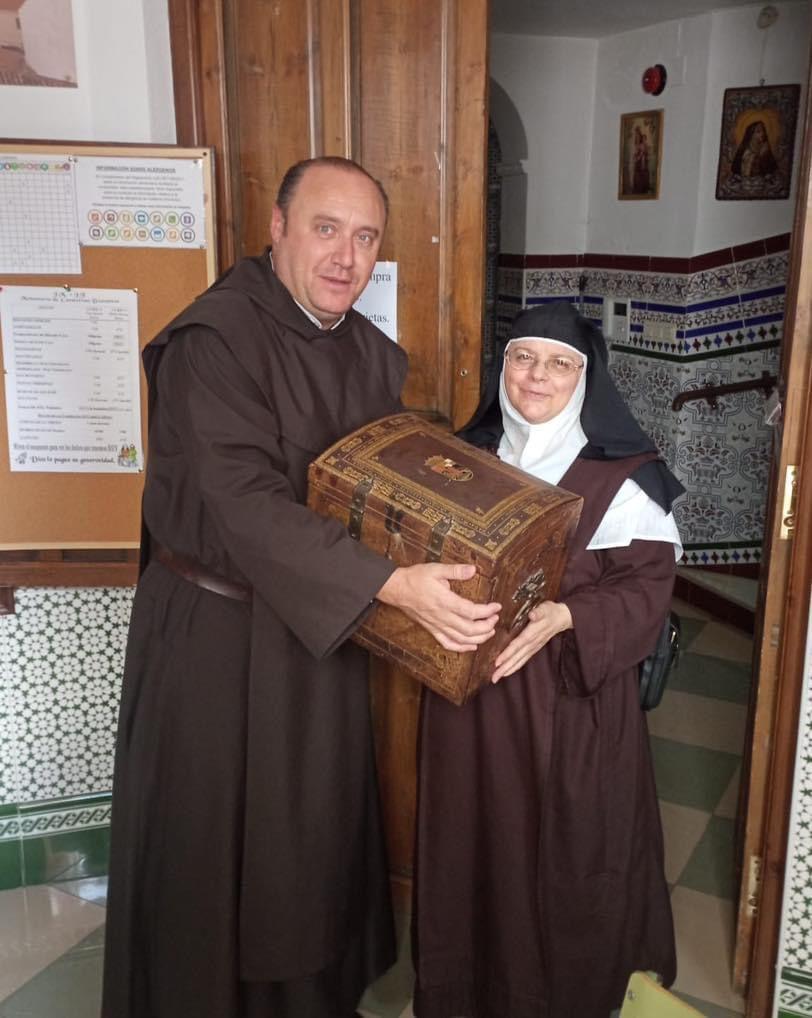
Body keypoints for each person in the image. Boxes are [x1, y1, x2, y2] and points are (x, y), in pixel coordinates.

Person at [101, 156, 501, 1018]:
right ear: (276, 228)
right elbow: (244, 506)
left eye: (365, 239)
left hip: (318, 631)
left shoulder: (366, 352)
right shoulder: (212, 342)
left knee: (309, 833)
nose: (345, 258)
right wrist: (394, 585)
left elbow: (389, 483)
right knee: (217, 845)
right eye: (325, 228)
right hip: (213, 639)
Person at [412, 301, 684, 1018]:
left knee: (567, 854)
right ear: (504, 368)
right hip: (468, 701)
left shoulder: (623, 475)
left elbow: (649, 588)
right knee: (472, 847)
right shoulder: (463, 457)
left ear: (585, 380)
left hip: (573, 709)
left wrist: (572, 613)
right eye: (524, 358)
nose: (538, 376)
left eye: (560, 363)